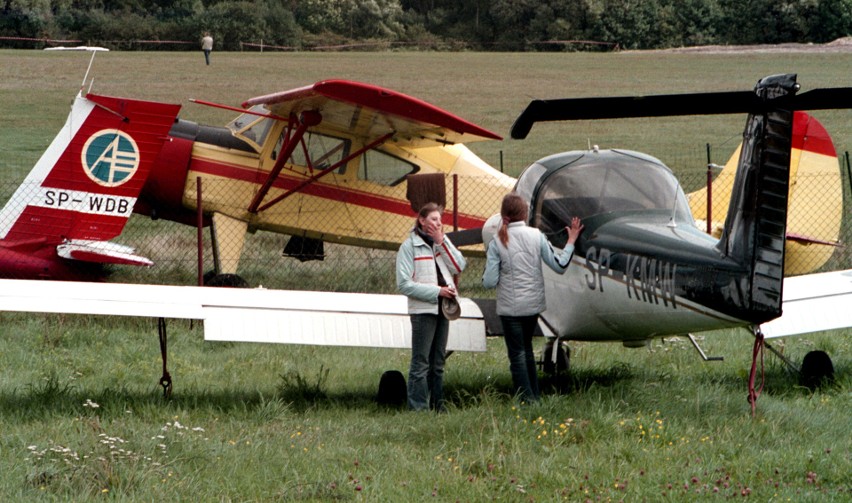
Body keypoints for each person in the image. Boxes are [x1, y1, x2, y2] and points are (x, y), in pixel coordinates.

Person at [482, 193, 583, 403]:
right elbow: (559, 265)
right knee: (526, 350)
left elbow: (489, 281)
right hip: (532, 306)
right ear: (525, 213)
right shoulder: (536, 236)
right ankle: (534, 395)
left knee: (516, 354)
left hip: (510, 308)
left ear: (503, 215)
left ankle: (527, 399)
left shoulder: (496, 242)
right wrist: (571, 240)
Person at [396, 202, 466, 412]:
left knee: (438, 362)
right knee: (421, 362)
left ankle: (438, 406)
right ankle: (418, 408)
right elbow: (404, 284)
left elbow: (459, 265)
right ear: (422, 220)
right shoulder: (409, 247)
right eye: (433, 219)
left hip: (443, 308)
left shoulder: (439, 243)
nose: (438, 223)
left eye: (439, 219)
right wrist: (437, 292)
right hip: (423, 310)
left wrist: (442, 241)